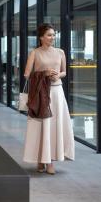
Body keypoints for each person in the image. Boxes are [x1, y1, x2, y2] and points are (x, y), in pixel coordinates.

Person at [22, 23, 75, 174]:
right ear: (41, 37)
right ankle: (42, 159)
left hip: (57, 93)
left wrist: (58, 75)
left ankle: (50, 161)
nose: (52, 37)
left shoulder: (60, 52)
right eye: (49, 35)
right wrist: (43, 73)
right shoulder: (35, 53)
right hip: (41, 94)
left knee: (53, 127)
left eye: (53, 34)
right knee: (42, 126)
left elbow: (64, 71)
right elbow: (27, 74)